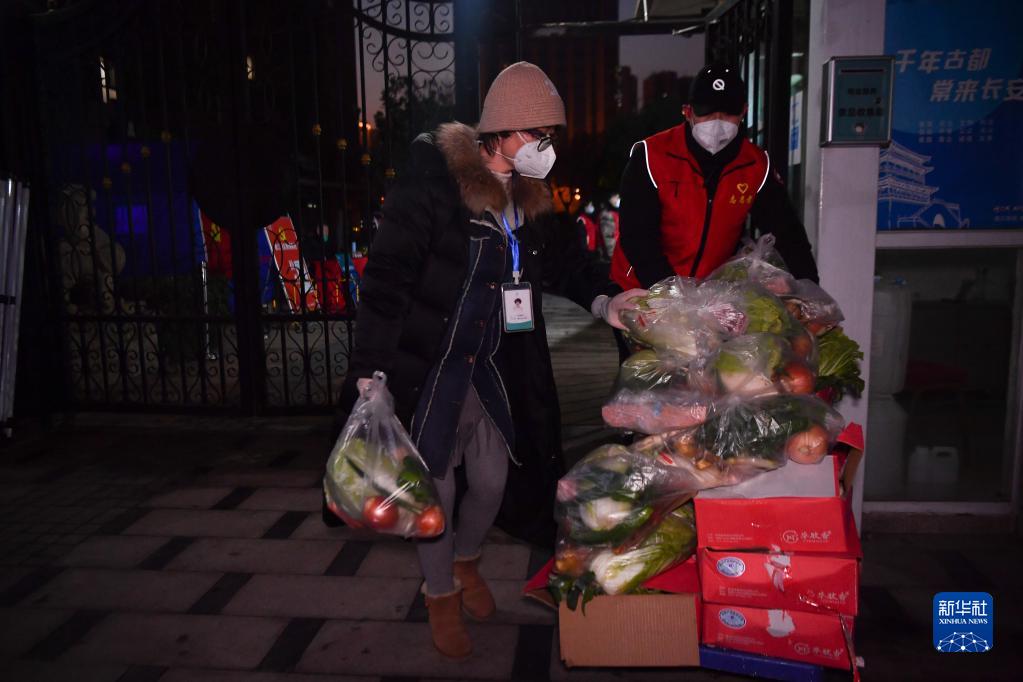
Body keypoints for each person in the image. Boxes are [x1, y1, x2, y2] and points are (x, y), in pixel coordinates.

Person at [330, 62, 636, 659]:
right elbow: (387, 279)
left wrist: (607, 300)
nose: (546, 147)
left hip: (497, 369)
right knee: (436, 491)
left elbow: (569, 264)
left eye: (550, 136)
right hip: (435, 368)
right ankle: (439, 592)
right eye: (537, 134)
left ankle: (466, 560)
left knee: (494, 482)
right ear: (501, 131)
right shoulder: (434, 185)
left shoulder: (531, 199)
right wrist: (369, 367)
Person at [606, 62, 819, 298]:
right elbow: (637, 238)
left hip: (706, 295)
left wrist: (811, 290)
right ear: (688, 112)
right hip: (640, 288)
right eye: (706, 112)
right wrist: (672, 297)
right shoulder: (651, 156)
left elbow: (788, 233)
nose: (717, 122)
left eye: (728, 112)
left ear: (743, 112)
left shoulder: (756, 165)